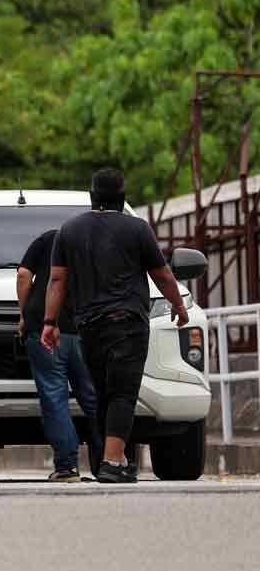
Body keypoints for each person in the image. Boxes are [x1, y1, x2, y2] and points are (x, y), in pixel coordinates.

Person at [41, 168, 188, 484]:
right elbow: (161, 274)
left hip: (88, 326)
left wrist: (49, 322)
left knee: (105, 392)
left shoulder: (68, 230)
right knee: (123, 392)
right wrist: (177, 304)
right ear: (122, 198)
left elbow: (56, 280)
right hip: (127, 322)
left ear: (92, 196)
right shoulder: (137, 229)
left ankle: (116, 458)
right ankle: (111, 461)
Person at [18, 230, 102, 482]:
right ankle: (109, 462)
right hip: (83, 328)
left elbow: (23, 275)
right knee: (94, 397)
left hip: (45, 328)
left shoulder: (47, 239)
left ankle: (67, 467)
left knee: (55, 397)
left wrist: (24, 314)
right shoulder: (91, 241)